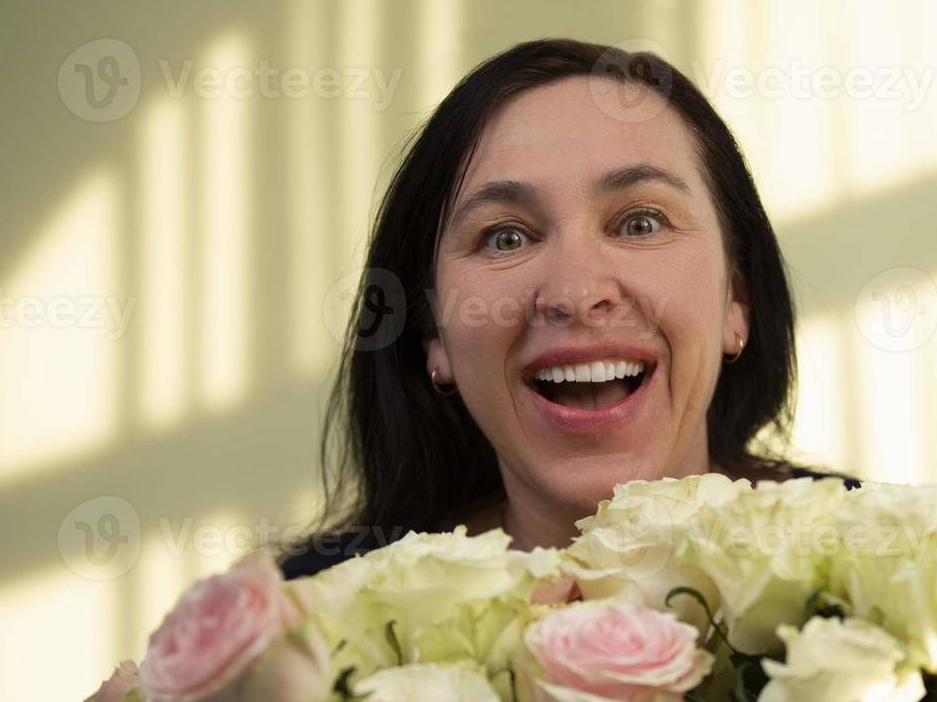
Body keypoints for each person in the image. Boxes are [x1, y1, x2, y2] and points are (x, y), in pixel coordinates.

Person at [282, 39, 858, 580]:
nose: (575, 294)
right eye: (506, 237)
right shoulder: (299, 635)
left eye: (640, 223)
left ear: (736, 302)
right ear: (433, 332)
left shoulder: (900, 573)